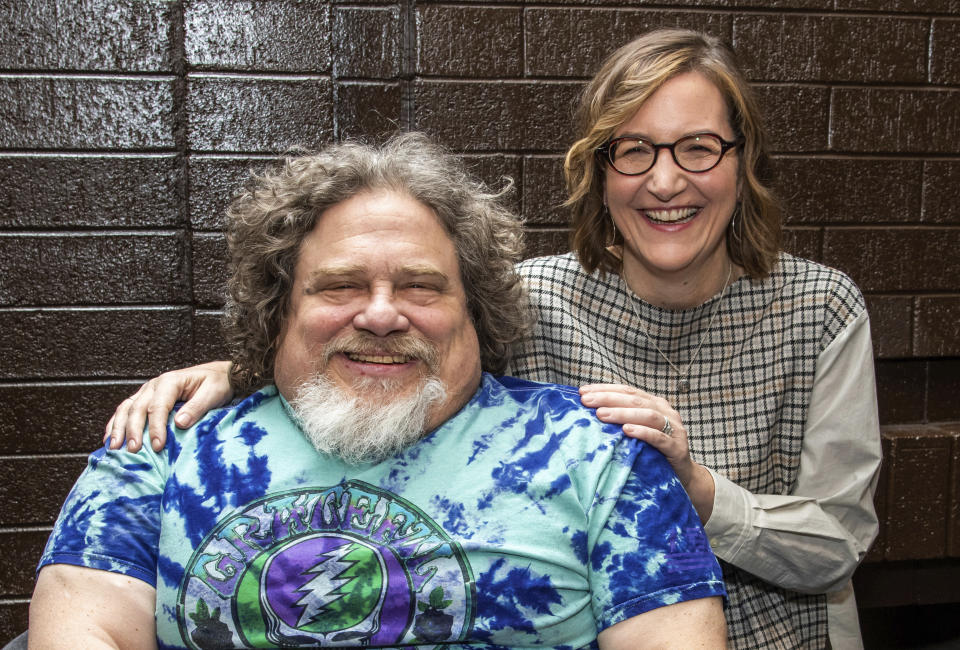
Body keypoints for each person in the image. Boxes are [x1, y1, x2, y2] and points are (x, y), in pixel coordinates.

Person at [105, 29, 882, 648]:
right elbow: (397, 357)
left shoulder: (820, 306)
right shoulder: (533, 294)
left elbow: (837, 548)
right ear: (599, 171)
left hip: (775, 635)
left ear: (744, 164)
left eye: (698, 148)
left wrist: (700, 493)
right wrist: (246, 371)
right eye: (634, 149)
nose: (666, 181)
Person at [31, 133, 727, 648]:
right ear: (281, 310)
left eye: (422, 287)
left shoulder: (601, 456)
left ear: (473, 310)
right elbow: (85, 626)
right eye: (340, 286)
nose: (383, 314)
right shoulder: (162, 443)